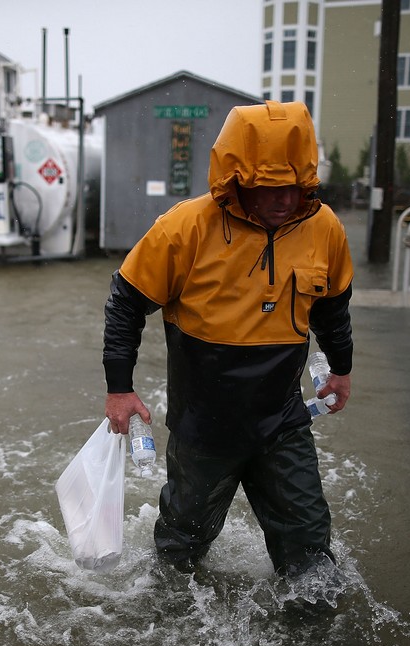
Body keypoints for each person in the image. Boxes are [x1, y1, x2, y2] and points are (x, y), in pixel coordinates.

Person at [102, 100, 354, 577]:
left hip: (281, 421)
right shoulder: (186, 227)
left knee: (309, 552)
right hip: (203, 427)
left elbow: (333, 309)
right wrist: (120, 389)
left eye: (295, 187)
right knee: (180, 552)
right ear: (239, 181)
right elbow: (126, 303)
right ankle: (170, 632)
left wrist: (340, 369)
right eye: (269, 187)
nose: (284, 199)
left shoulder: (325, 229)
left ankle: (313, 644)